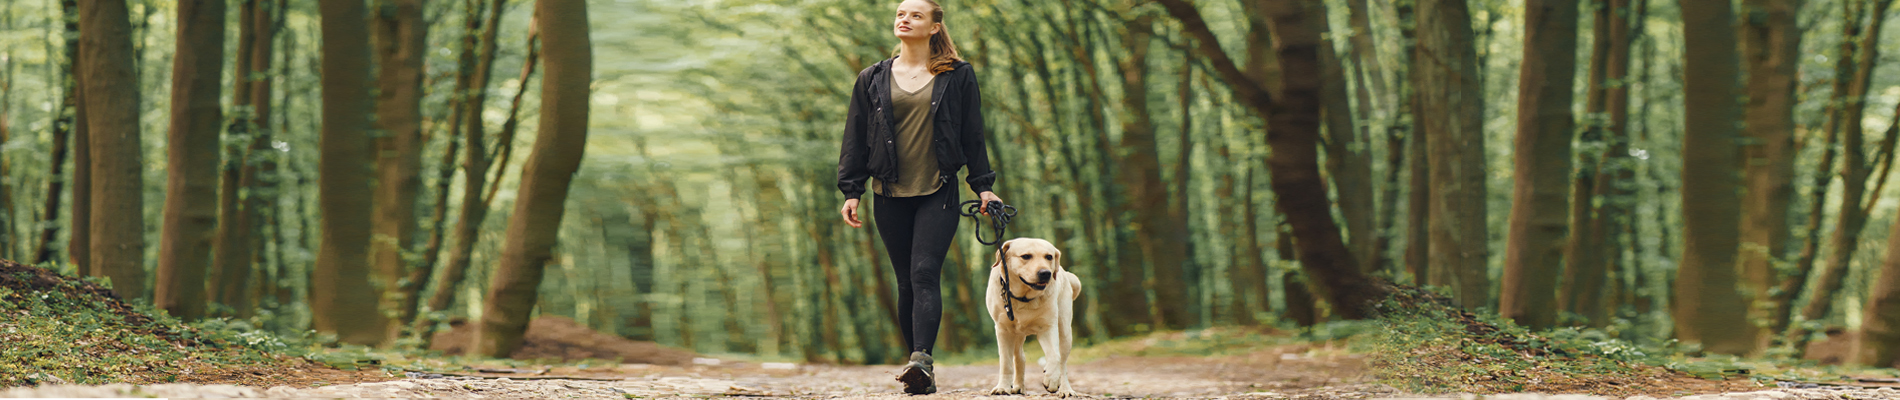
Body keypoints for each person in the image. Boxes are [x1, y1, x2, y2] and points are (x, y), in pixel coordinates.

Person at [836, 0, 1001, 394]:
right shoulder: (872, 78)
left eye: (915, 15)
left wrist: (983, 184)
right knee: (905, 282)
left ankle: (921, 357)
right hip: (888, 190)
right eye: (900, 13)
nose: (904, 19)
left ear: (933, 27)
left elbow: (972, 133)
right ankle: (919, 371)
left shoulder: (957, 76)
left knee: (925, 272)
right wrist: (851, 190)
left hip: (938, 188)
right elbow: (855, 137)